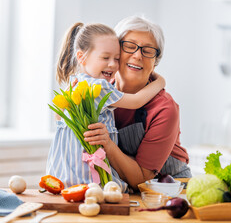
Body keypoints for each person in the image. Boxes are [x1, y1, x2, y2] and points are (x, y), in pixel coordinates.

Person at [46, 22, 165, 192]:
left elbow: (59, 119)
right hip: (86, 175)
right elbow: (136, 101)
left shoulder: (74, 83)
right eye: (105, 58)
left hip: (64, 171)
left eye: (116, 59)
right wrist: (160, 82)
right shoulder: (99, 87)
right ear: (81, 57)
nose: (112, 64)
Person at [83, 16, 191, 191]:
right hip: (120, 190)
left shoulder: (164, 108)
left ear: (155, 62)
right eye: (129, 46)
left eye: (148, 50)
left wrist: (107, 144)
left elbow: (142, 178)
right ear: (116, 52)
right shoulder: (98, 93)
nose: (138, 55)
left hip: (168, 191)